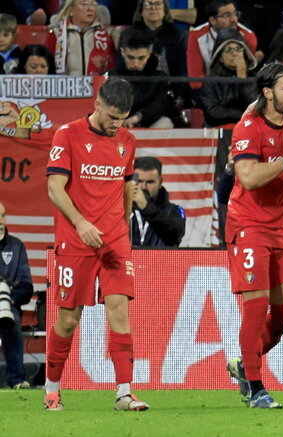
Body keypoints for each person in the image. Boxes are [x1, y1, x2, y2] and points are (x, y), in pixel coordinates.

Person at [44, 77, 149, 411]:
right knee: (68, 319)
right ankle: (51, 390)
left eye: (121, 118)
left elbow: (126, 188)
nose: (115, 124)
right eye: (110, 116)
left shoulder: (128, 141)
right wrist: (80, 223)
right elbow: (55, 188)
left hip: (114, 241)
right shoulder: (68, 134)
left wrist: (124, 228)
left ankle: (124, 392)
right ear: (97, 105)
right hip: (76, 240)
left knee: (119, 310)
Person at [224, 63, 283, 409]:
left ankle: (243, 364)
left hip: (281, 228)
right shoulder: (249, 128)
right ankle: (255, 387)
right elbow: (247, 177)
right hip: (248, 225)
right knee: (256, 305)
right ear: (267, 93)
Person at [186, 0, 260, 90]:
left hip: (239, 89)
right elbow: (195, 82)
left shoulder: (248, 36)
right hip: (207, 90)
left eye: (235, 14)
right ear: (213, 20)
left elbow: (247, 76)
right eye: (227, 15)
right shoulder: (196, 36)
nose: (234, 20)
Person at [109, 29, 175, 128]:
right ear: (123, 52)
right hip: (117, 124)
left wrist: (139, 117)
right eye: (131, 58)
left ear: (149, 53)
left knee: (165, 123)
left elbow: (162, 104)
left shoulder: (159, 77)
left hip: (147, 121)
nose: (136, 64)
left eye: (141, 58)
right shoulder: (111, 76)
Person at [0, 201, 33, 389]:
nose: (1, 219)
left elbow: (27, 285)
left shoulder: (16, 246)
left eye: (3, 215)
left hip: (10, 304)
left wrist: (9, 297)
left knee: (11, 320)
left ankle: (17, 380)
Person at [199, 28, 257, 126]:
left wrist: (242, 79)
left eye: (238, 49)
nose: (234, 53)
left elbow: (257, 108)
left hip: (249, 128)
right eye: (228, 50)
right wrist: (242, 115)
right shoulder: (210, 81)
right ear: (220, 58)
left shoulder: (255, 78)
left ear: (244, 53)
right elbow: (212, 112)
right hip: (219, 129)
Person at [45, 0, 116, 75]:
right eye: (84, 4)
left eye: (93, 4)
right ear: (71, 10)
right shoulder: (56, 34)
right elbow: (46, 65)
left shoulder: (104, 35)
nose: (90, 8)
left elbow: (112, 66)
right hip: (64, 84)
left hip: (97, 84)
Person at [131, 157, 186, 247]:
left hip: (160, 261)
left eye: (150, 182)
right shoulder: (122, 210)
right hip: (128, 261)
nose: (143, 187)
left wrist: (145, 207)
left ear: (160, 182)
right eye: (139, 181)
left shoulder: (174, 211)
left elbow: (175, 237)